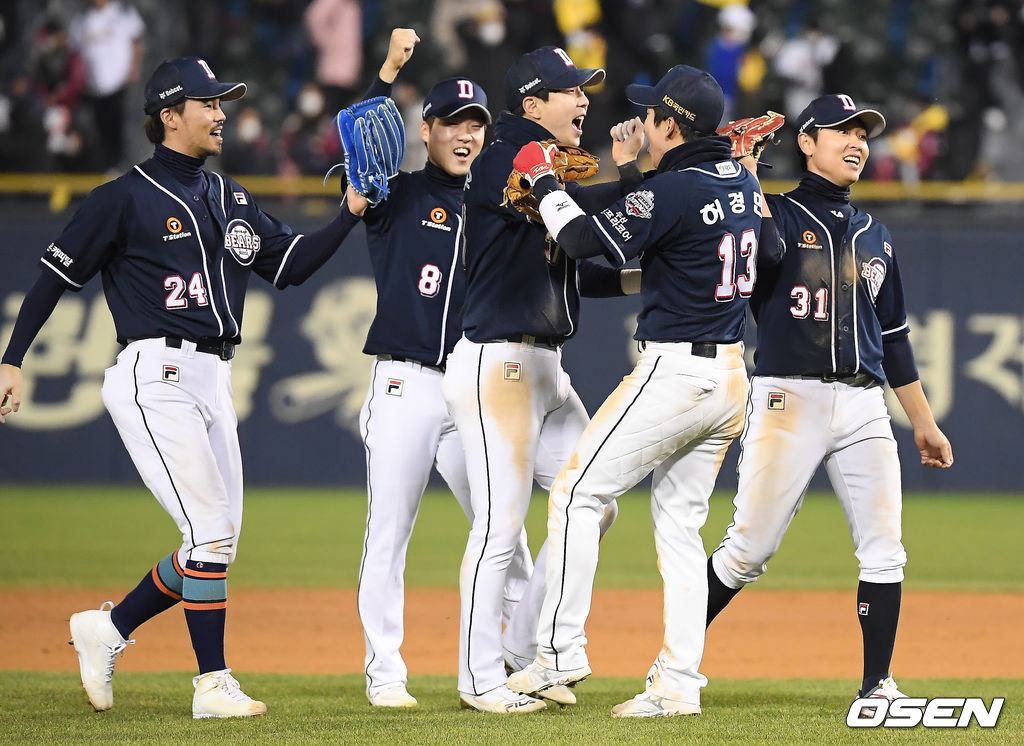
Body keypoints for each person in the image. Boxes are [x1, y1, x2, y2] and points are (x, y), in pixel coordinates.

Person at [0, 56, 362, 719]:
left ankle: (106, 630)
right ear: (170, 116)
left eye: (222, 101)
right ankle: (212, 683)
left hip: (213, 375)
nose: (222, 112)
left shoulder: (231, 196)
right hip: (153, 374)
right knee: (211, 536)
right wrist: (13, 358)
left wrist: (349, 212)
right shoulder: (121, 197)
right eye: (208, 102)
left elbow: (291, 266)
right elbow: (54, 275)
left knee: (214, 540)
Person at [506, 65, 782, 717]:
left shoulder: (676, 189)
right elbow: (768, 256)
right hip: (730, 378)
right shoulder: (740, 179)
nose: (644, 124)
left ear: (670, 125)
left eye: (652, 115)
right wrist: (638, 175)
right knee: (681, 526)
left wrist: (543, 181)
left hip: (678, 372)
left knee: (576, 492)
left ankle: (557, 654)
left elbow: (579, 241)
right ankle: (679, 683)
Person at [704, 94, 954, 704]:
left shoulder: (877, 234)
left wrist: (922, 422)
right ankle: (673, 659)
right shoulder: (778, 216)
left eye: (863, 133)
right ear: (808, 143)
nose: (857, 142)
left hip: (865, 405)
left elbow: (894, 339)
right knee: (746, 551)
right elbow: (751, 259)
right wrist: (744, 175)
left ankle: (878, 686)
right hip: (790, 398)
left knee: (884, 548)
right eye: (840, 131)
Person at [441, 45, 646, 714]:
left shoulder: (548, 167)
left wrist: (640, 254)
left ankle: (523, 648)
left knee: (597, 501)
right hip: (497, 364)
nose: (583, 100)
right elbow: (584, 222)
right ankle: (478, 679)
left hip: (546, 369)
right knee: (501, 529)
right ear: (531, 104)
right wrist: (642, 182)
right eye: (568, 91)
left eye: (585, 89)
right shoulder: (506, 156)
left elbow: (580, 253)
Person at [339, 28, 534, 709]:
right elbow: (362, 131)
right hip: (404, 383)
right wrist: (388, 69)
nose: (464, 134)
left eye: (475, 123)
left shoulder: (496, 203)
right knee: (388, 534)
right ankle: (384, 672)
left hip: (471, 389)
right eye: (451, 122)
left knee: (506, 533)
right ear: (427, 130)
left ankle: (516, 659)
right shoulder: (395, 192)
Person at [69, 0, 145, 171]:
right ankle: (108, 168)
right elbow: (75, 51)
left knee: (123, 127)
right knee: (101, 128)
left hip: (120, 83)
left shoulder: (122, 12)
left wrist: (134, 69)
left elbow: (137, 41)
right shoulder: (83, 20)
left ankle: (128, 166)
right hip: (93, 87)